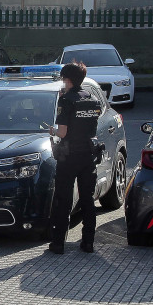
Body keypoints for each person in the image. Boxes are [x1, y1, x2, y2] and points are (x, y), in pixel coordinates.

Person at [47, 62, 102, 254]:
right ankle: (88, 243)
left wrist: (52, 130)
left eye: (63, 78)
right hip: (88, 156)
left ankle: (58, 243)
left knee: (64, 199)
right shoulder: (92, 98)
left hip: (69, 156)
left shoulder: (66, 101)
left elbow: (62, 133)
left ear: (68, 79)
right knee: (88, 199)